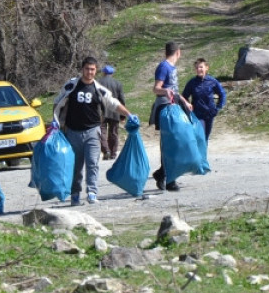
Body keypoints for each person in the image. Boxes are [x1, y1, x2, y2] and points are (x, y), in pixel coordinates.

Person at [53, 56, 132, 206]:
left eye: (93, 69)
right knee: (76, 166)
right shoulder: (71, 86)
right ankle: (75, 194)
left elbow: (113, 103)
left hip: (93, 131)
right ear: (82, 69)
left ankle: (92, 192)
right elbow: (58, 102)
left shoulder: (99, 89)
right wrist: (56, 121)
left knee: (92, 163)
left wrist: (128, 114)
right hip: (73, 132)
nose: (90, 72)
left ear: (96, 71)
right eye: (87, 69)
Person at [150, 41, 193, 192]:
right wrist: (166, 92)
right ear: (178, 52)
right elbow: (156, 89)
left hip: (174, 107)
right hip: (165, 109)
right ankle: (169, 180)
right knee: (170, 144)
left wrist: (184, 101)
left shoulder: (172, 68)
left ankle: (162, 174)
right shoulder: (164, 66)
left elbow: (173, 89)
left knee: (176, 142)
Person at [182, 58, 227, 141]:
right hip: (197, 115)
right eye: (197, 68)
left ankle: (203, 153)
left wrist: (218, 107)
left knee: (205, 137)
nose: (199, 69)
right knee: (199, 137)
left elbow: (222, 94)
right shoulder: (192, 83)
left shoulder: (212, 81)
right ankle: (198, 153)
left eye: (201, 67)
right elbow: (184, 97)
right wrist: (188, 107)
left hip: (209, 114)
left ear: (206, 68)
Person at [96, 64, 126, 160]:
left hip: (101, 111)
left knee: (102, 132)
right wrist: (123, 114)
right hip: (115, 111)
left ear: (104, 72)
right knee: (114, 132)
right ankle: (113, 153)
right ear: (112, 73)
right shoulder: (118, 83)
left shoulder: (98, 82)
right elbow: (122, 99)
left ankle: (106, 151)